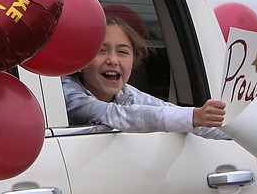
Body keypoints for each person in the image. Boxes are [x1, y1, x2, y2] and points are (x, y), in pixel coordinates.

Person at [62, 14, 228, 139]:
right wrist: (195, 116)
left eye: (122, 52)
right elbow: (121, 116)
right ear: (81, 59)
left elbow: (168, 112)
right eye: (101, 50)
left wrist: (235, 130)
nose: (113, 60)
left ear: (134, 59)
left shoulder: (128, 94)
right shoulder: (65, 94)